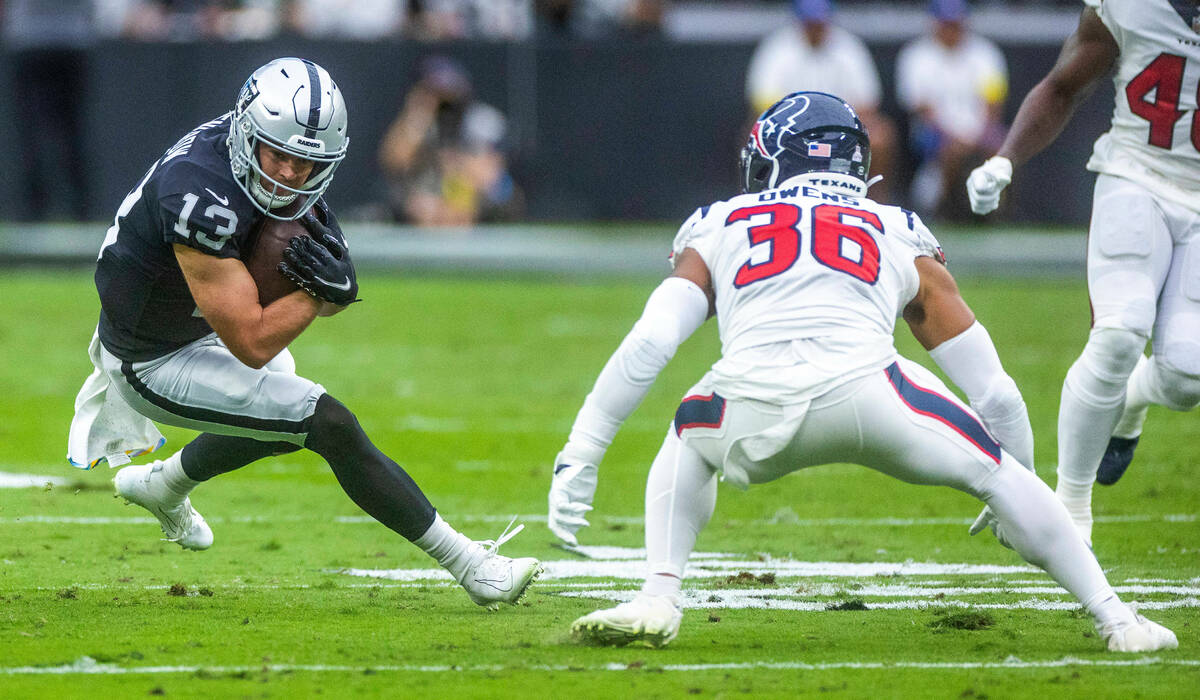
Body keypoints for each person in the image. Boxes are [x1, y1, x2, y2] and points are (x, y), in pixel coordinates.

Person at [548, 92, 1177, 652]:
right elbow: (996, 392)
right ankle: (1116, 618)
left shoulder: (721, 223)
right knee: (998, 472)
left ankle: (659, 594)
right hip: (875, 399)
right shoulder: (893, 227)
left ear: (774, 160)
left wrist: (583, 451)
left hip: (747, 409)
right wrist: (1011, 481)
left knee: (688, 432)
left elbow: (651, 341)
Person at [65, 57, 540, 610]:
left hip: (196, 324)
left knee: (281, 406)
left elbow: (309, 290)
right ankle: (473, 566)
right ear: (247, 132)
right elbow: (254, 340)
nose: (290, 174)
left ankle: (164, 485)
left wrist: (325, 291)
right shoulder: (197, 193)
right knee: (325, 420)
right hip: (152, 359)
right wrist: (321, 294)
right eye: (281, 155)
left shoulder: (266, 158)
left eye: (307, 162)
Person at [965, 0, 1200, 546]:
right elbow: (1063, 85)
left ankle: (1133, 399)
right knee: (1120, 332)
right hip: (1134, 174)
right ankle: (1069, 508)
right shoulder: (1130, 6)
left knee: (1187, 377)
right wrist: (1006, 159)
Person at [745, 0, 897, 201]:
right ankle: (755, 201)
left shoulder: (848, 47)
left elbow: (868, 103)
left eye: (819, 22)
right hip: (790, 131)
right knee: (750, 132)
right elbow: (761, 100)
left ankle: (876, 204)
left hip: (840, 131)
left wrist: (834, 127)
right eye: (810, 23)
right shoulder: (778, 48)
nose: (815, 28)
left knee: (880, 134)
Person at [378, 55, 522, 226]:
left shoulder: (481, 120)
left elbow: (489, 176)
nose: (445, 101)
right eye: (436, 92)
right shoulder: (422, 123)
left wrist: (455, 165)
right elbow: (394, 161)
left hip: (475, 201)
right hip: (430, 201)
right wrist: (418, 116)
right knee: (419, 206)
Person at [897, 0, 1007, 219]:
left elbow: (994, 104)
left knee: (1004, 149)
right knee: (951, 152)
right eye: (946, 24)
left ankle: (994, 213)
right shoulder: (917, 55)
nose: (951, 29)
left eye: (956, 23)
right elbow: (922, 109)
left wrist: (980, 135)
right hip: (934, 131)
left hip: (979, 129)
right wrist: (954, 138)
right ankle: (943, 211)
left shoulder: (985, 53)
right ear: (935, 24)